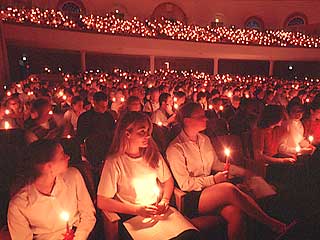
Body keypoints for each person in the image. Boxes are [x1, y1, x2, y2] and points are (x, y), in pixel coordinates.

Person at [166, 102, 289, 240]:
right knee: (229, 188)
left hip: (211, 190)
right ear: (187, 121)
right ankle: (271, 223)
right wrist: (213, 180)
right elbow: (185, 184)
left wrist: (243, 172)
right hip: (192, 197)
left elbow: (216, 164)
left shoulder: (204, 139)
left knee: (236, 213)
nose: (206, 118)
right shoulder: (175, 149)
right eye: (200, 116)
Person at [97, 112, 199, 239]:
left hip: (158, 210)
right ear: (127, 134)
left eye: (148, 131)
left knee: (190, 235)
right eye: (142, 132)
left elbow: (168, 181)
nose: (148, 136)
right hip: (133, 217)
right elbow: (102, 201)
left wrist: (165, 200)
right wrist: (137, 210)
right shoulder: (114, 162)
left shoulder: (153, 155)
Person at [7, 139, 96, 240]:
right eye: (62, 155)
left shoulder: (73, 176)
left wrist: (78, 238)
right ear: (49, 167)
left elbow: (88, 215)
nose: (68, 157)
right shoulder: (19, 205)